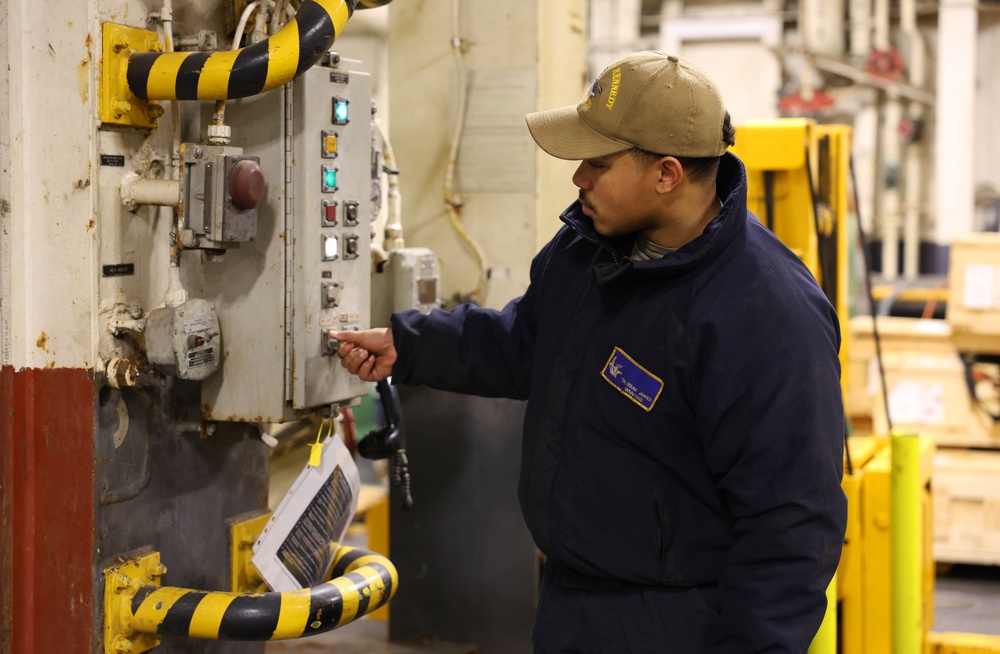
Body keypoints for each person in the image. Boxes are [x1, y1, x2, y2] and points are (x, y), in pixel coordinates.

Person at [330, 50, 847, 653]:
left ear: (668, 174)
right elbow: (527, 342)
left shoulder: (767, 314)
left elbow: (791, 529)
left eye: (598, 163)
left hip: (679, 624)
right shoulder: (587, 249)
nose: (578, 177)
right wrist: (409, 345)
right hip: (570, 604)